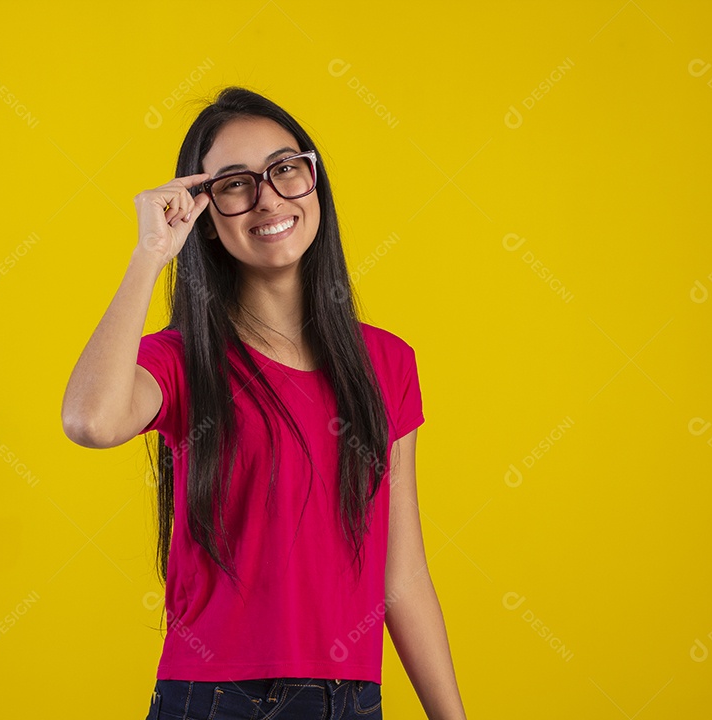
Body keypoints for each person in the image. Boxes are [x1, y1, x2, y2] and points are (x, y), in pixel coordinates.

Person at [61, 86, 468, 720]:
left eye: (284, 170)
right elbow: (91, 420)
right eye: (234, 184)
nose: (268, 199)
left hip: (352, 702)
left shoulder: (387, 363)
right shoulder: (183, 358)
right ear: (207, 218)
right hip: (214, 699)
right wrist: (149, 255)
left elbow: (402, 574)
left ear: (314, 182)